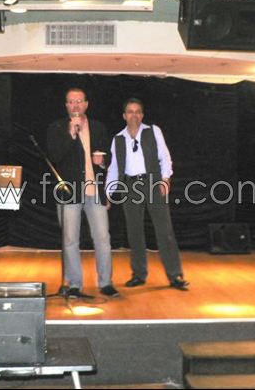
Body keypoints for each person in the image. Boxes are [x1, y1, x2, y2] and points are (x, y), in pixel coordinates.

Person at [106, 98, 188, 291]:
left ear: (142, 115)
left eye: (137, 111)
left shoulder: (153, 131)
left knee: (164, 230)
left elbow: (164, 156)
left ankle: (175, 275)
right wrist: (108, 193)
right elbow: (114, 168)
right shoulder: (118, 138)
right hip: (130, 186)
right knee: (134, 232)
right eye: (130, 112)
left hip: (152, 183)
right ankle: (139, 274)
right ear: (124, 116)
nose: (134, 115)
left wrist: (165, 178)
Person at [47, 88, 119, 298]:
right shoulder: (57, 127)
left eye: (79, 101)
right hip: (69, 193)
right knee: (70, 240)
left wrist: (102, 161)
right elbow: (54, 157)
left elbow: (109, 158)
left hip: (94, 191)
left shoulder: (98, 127)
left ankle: (105, 282)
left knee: (103, 238)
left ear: (86, 104)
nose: (76, 105)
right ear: (66, 106)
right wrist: (70, 134)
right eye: (71, 102)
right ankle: (74, 284)